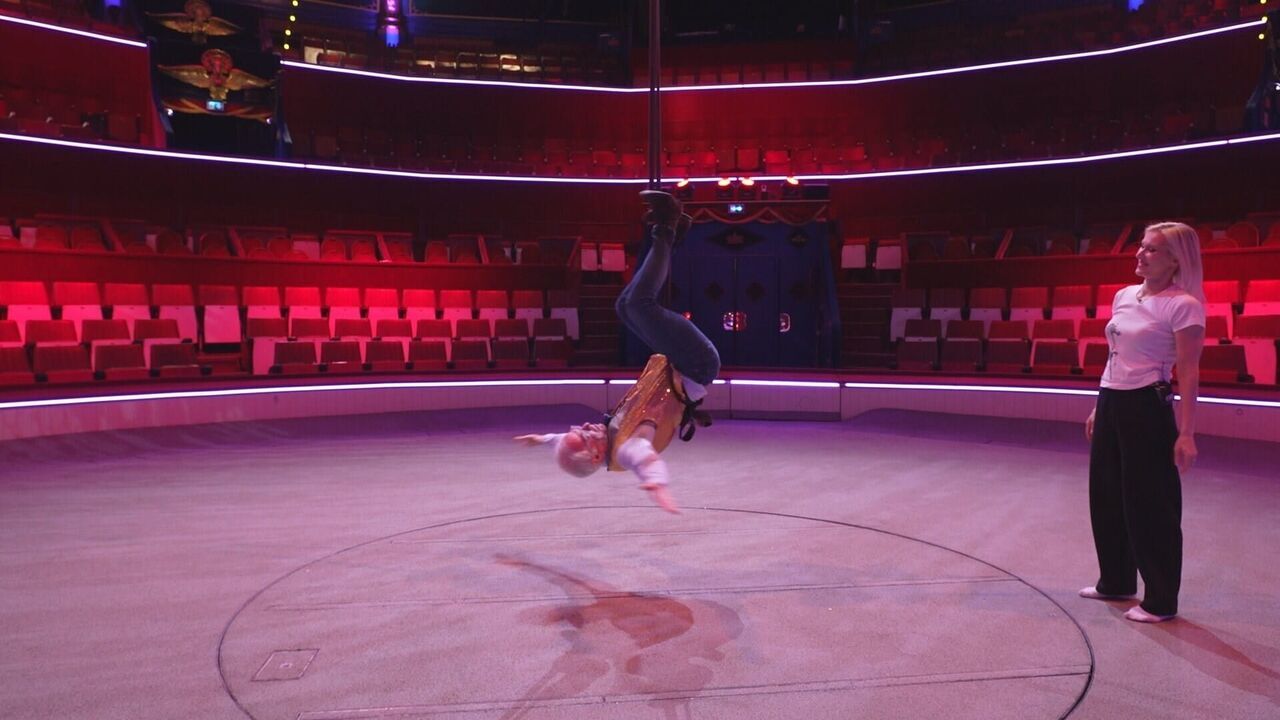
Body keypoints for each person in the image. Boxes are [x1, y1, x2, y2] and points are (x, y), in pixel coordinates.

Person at [514, 191, 720, 514]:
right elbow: (642, 455)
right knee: (639, 304)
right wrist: (655, 482)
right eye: (584, 434)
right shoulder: (625, 448)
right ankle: (667, 223)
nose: (584, 425)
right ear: (596, 456)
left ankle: (674, 232)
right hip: (696, 363)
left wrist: (544, 439)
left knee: (623, 307)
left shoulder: (605, 440)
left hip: (680, 363)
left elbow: (565, 440)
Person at [1081, 221, 1205, 623]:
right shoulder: (1123, 296)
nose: (1141, 254)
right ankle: (1116, 580)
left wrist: (1186, 432)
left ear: (1175, 260)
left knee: (1150, 502)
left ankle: (1161, 600)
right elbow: (1115, 354)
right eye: (1141, 245)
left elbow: (1188, 371)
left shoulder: (1183, 304)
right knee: (1106, 494)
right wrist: (1100, 406)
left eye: (1152, 249)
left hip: (1147, 405)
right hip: (1111, 399)